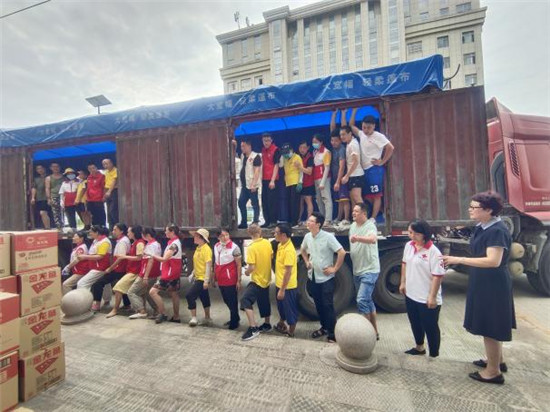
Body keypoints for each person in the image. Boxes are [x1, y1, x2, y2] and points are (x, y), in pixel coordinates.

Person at [443, 191, 515, 384]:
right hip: (483, 280)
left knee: (490, 326)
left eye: (474, 207)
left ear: (489, 210)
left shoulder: (497, 231)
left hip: (493, 284)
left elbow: (493, 261)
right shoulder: (482, 227)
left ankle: (493, 372)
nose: (470, 210)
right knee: (490, 324)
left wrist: (458, 259)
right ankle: (497, 360)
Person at [399, 219, 446, 358]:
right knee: (415, 323)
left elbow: (438, 276)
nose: (412, 236)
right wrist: (403, 282)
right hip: (411, 293)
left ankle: (434, 355)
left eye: (416, 234)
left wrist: (432, 297)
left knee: (430, 327)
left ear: (424, 234)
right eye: (410, 232)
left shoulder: (433, 252)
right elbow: (404, 264)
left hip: (426, 297)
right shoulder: (409, 246)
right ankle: (419, 347)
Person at [300, 212, 345, 343]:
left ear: (318, 224)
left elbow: (341, 252)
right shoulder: (308, 236)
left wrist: (334, 269)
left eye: (311, 221)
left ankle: (332, 334)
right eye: (308, 220)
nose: (308, 223)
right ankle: (324, 327)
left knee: (328, 305)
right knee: (318, 305)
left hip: (326, 279)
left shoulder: (328, 237)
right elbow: (302, 250)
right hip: (313, 277)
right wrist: (307, 262)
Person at [350, 112, 394, 222]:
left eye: (368, 128)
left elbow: (390, 148)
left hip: (374, 169)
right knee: (368, 195)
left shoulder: (378, 136)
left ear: (374, 126)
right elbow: (351, 126)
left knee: (376, 195)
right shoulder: (362, 134)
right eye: (364, 127)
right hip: (364, 170)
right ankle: (374, 214)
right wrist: (355, 110)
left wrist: (382, 161)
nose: (366, 130)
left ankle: (373, 218)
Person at [349, 203, 380, 338]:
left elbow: (372, 239)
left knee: (361, 300)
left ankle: (365, 335)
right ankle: (374, 332)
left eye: (356, 211)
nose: (353, 213)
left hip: (369, 269)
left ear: (364, 213)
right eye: (353, 211)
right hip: (357, 269)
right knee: (367, 301)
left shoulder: (370, 226)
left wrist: (358, 238)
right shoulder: (352, 226)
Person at [240, 224, 273, 341]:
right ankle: (267, 324)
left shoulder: (252, 247)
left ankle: (253, 328)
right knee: (264, 300)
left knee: (245, 300)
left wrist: (246, 272)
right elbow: (271, 256)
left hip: (257, 279)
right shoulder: (267, 243)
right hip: (266, 278)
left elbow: (252, 267)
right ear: (260, 232)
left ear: (249, 233)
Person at [106, 225, 146, 318]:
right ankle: (138, 309)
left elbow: (139, 258)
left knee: (118, 288)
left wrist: (124, 256)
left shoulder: (139, 243)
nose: (128, 234)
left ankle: (115, 309)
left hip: (135, 271)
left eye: (129, 232)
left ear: (134, 233)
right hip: (132, 270)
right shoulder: (135, 242)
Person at [90, 223, 131, 312]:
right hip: (120, 268)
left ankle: (97, 304)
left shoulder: (122, 242)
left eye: (115, 230)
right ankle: (127, 305)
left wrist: (110, 268)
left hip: (119, 269)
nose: (113, 231)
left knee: (98, 283)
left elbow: (120, 258)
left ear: (121, 231)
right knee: (122, 285)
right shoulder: (122, 240)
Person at [149, 224, 183, 324]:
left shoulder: (173, 245)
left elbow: (164, 259)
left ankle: (162, 313)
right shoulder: (175, 242)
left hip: (169, 274)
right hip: (173, 272)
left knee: (152, 292)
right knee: (174, 293)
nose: (165, 232)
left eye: (167, 230)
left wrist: (151, 254)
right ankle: (176, 316)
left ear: (172, 232)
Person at [127, 227, 161, 319]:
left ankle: (141, 311)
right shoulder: (156, 244)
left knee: (131, 292)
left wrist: (145, 276)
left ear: (148, 235)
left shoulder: (150, 246)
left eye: (143, 234)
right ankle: (157, 311)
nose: (141, 235)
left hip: (147, 273)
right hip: (153, 272)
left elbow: (150, 261)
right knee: (148, 293)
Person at [75, 226, 112, 307]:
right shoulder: (96, 240)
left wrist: (85, 257)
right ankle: (107, 301)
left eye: (91, 232)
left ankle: (83, 304)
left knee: (82, 283)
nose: (90, 233)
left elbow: (100, 256)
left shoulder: (104, 242)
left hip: (100, 268)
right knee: (105, 284)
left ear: (97, 233)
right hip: (96, 266)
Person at [273, 223, 299, 337]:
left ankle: (291, 332)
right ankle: (281, 324)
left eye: (276, 233)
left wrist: (282, 290)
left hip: (287, 286)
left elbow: (288, 272)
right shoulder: (280, 245)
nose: (274, 234)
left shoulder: (289, 250)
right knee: (281, 307)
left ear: (283, 235)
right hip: (279, 283)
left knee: (290, 309)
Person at [213, 228, 242, 330]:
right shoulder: (216, 246)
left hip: (230, 278)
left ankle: (234, 321)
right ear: (218, 237)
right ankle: (235, 317)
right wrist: (214, 276)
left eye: (227, 235)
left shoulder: (234, 247)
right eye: (222, 236)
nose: (225, 237)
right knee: (226, 299)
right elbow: (216, 262)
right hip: (220, 278)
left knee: (232, 300)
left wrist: (239, 280)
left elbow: (239, 265)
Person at [186, 228, 213, 327]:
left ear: (202, 238)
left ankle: (194, 318)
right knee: (204, 296)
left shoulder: (206, 249)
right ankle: (207, 318)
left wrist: (206, 280)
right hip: (198, 277)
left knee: (189, 295)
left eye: (196, 236)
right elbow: (198, 263)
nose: (194, 237)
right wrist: (192, 273)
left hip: (202, 278)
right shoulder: (198, 248)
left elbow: (208, 265)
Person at [238, 140, 262, 229]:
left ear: (249, 146)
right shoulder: (242, 156)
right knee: (241, 202)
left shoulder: (255, 156)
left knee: (254, 203)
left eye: (244, 146)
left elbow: (257, 171)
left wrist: (254, 184)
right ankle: (244, 222)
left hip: (252, 184)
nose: (242, 148)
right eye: (241, 146)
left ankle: (255, 221)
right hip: (244, 185)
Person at [339, 126, 364, 210]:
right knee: (353, 199)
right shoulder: (349, 143)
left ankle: (364, 217)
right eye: (341, 135)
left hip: (356, 175)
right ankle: (355, 218)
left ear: (350, 133)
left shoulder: (353, 145)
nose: (342, 137)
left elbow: (356, 161)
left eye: (344, 134)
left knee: (357, 198)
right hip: (352, 175)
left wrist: (346, 176)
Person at [330, 128, 350, 227]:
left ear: (340, 140)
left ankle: (346, 219)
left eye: (336, 141)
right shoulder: (334, 149)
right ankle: (339, 218)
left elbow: (342, 167)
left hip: (341, 179)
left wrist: (338, 181)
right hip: (335, 178)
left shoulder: (342, 149)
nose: (333, 142)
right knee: (339, 200)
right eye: (332, 140)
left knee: (344, 199)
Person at [260, 133, 281, 228]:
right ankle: (267, 221)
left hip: (272, 179)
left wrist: (272, 180)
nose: (266, 142)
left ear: (271, 140)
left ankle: (273, 221)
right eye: (264, 141)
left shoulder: (275, 150)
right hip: (264, 179)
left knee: (272, 201)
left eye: (268, 140)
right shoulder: (263, 150)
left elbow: (276, 165)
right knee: (264, 201)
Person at [312, 134, 333, 226]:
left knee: (326, 198)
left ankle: (328, 219)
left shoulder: (326, 152)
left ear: (321, 142)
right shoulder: (315, 152)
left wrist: (323, 182)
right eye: (313, 142)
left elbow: (327, 168)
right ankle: (322, 218)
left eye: (316, 142)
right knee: (319, 200)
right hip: (316, 178)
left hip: (324, 178)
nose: (314, 143)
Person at [280, 143, 303, 227]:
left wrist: (300, 182)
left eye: (287, 152)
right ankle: (289, 220)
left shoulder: (297, 157)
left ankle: (294, 221)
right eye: (284, 153)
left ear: (291, 150)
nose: (286, 154)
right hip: (288, 182)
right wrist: (282, 156)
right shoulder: (285, 158)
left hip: (295, 182)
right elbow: (280, 165)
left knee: (294, 203)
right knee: (288, 202)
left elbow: (301, 170)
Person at [296, 141, 314, 227]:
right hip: (300, 183)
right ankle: (298, 219)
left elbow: (309, 171)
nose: (302, 149)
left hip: (308, 182)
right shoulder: (298, 157)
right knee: (300, 202)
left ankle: (309, 219)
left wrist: (300, 167)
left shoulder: (310, 158)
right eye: (300, 148)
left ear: (308, 148)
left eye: (304, 147)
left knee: (308, 200)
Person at [31, 164, 51, 229]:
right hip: (40, 198)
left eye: (41, 168)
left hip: (50, 197)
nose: (40, 170)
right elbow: (34, 188)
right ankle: (47, 227)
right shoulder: (36, 179)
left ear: (44, 169)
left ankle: (49, 227)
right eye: (38, 169)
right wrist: (33, 198)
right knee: (42, 212)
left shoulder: (49, 177)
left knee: (46, 213)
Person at [45, 162, 64, 229]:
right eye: (54, 167)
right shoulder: (48, 178)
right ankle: (59, 227)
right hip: (54, 196)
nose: (56, 168)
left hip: (64, 196)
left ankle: (69, 226)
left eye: (57, 166)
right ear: (51, 168)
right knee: (56, 213)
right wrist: (48, 198)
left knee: (65, 211)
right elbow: (47, 188)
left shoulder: (64, 176)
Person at [102, 159, 119, 228]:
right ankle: (111, 228)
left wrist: (109, 191)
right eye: (104, 164)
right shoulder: (106, 172)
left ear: (111, 163)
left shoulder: (115, 170)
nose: (105, 166)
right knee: (108, 212)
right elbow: (106, 184)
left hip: (114, 191)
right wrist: (104, 194)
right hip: (107, 192)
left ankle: (117, 226)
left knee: (113, 210)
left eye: (107, 164)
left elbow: (114, 181)